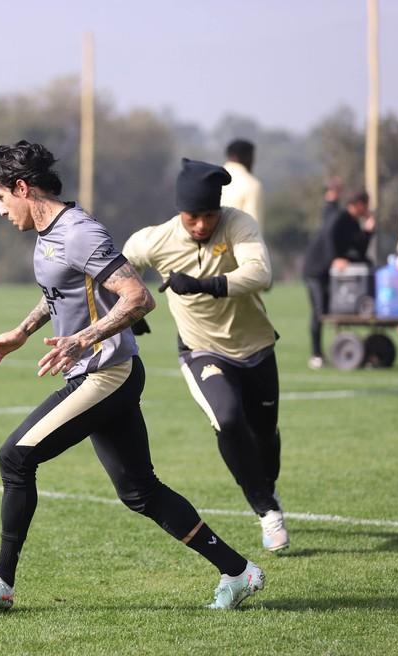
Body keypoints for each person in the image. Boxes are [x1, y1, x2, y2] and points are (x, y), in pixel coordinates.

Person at [0, 141, 265, 612]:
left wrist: (85, 338)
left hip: (107, 375)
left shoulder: (78, 231)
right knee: (140, 492)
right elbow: (61, 290)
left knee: (16, 458)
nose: (1, 210)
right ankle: (238, 571)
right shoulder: (51, 232)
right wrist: (22, 331)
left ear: (22, 188)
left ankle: (1, 580)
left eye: (2, 198)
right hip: (101, 372)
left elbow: (137, 297)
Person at [122, 158, 289, 553]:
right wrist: (128, 313)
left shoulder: (238, 224)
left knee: (265, 437)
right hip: (202, 350)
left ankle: (267, 491)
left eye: (208, 216)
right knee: (228, 419)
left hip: (257, 346)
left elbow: (260, 274)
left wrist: (201, 284)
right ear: (180, 211)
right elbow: (115, 269)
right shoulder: (154, 240)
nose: (200, 225)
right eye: (192, 216)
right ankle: (266, 511)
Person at [301, 190, 376, 369]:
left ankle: (340, 347)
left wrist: (368, 231)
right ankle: (316, 354)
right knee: (319, 310)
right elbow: (328, 236)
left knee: (331, 309)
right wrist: (334, 258)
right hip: (316, 270)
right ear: (358, 204)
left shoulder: (354, 223)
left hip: (332, 274)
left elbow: (360, 249)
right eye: (365, 205)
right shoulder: (340, 217)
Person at [220, 139, 264, 232]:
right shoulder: (251, 184)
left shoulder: (213, 177)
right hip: (238, 242)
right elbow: (252, 225)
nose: (253, 162)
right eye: (251, 157)